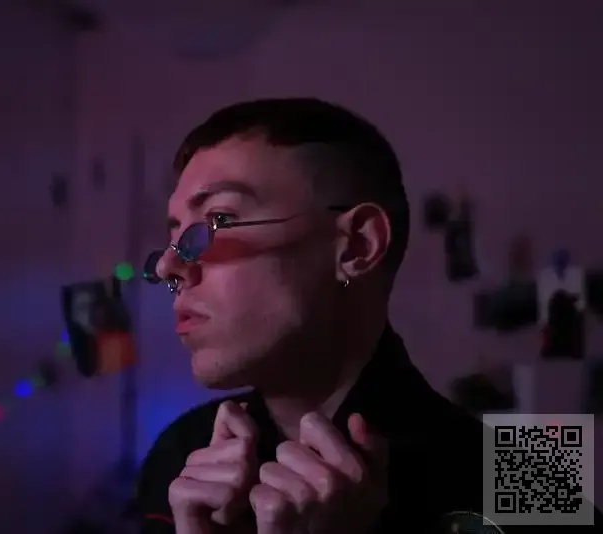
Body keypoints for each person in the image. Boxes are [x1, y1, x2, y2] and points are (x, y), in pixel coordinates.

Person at [135, 98, 601, 533]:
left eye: (219, 220)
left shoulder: (526, 492)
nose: (167, 266)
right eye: (174, 235)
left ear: (357, 246)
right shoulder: (181, 459)